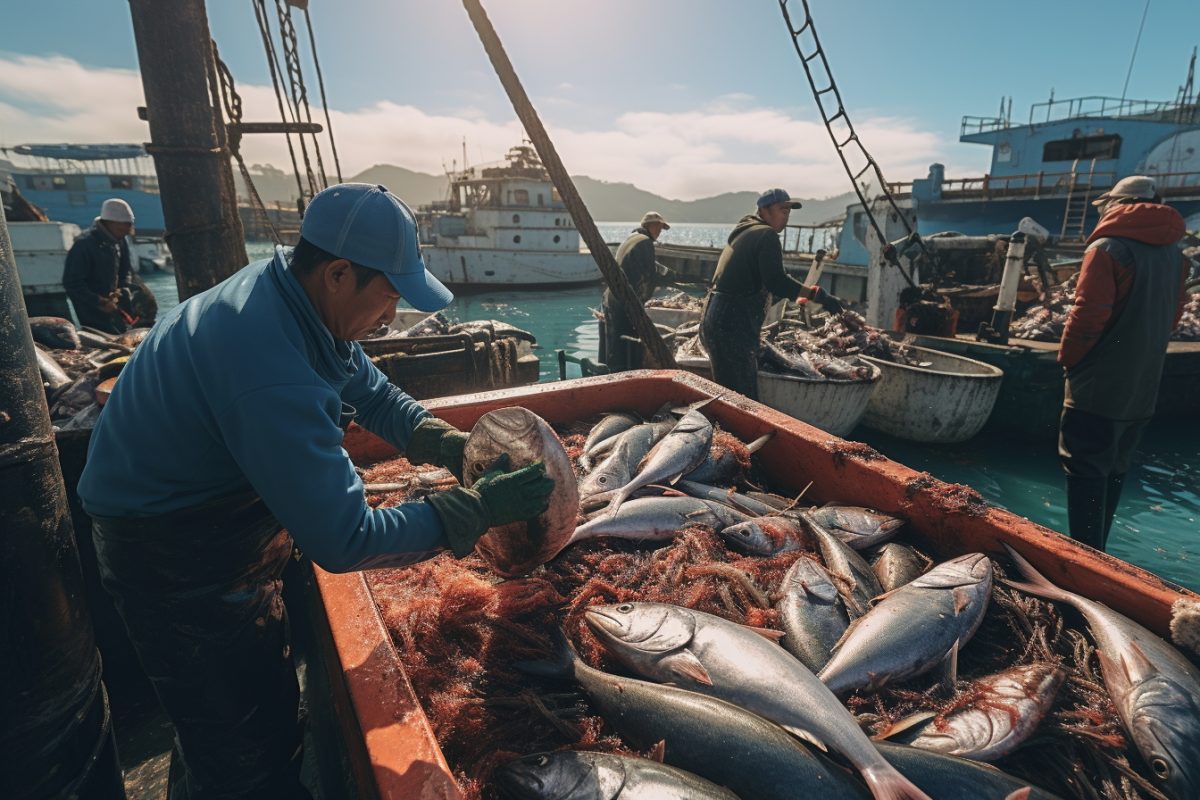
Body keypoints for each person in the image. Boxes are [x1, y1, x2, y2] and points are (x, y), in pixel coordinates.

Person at [78, 183, 555, 799]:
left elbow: (369, 386)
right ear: (338, 273)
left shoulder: (289, 293)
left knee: (215, 724)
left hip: (203, 515)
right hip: (174, 556)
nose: (389, 316)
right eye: (387, 296)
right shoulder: (267, 364)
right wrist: (477, 511)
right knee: (246, 755)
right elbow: (345, 539)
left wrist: (443, 443)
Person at [1057, 175, 1189, 551]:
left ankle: (1082, 563)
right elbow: (1174, 317)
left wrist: (1068, 359)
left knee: (1084, 468)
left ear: (1117, 204)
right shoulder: (1175, 255)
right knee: (1113, 469)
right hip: (1143, 388)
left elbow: (1087, 316)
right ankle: (1100, 556)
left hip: (1098, 387)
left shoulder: (1107, 248)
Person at [699, 188, 844, 399]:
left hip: (714, 319)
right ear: (763, 210)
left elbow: (757, 283)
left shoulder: (745, 231)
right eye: (781, 210)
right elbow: (777, 282)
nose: (785, 217)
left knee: (727, 397)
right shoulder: (766, 235)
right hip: (732, 327)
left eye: (788, 212)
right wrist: (818, 296)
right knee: (742, 401)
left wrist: (798, 295)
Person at [62, 198, 157, 333]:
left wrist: (124, 289)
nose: (127, 231)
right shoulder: (83, 245)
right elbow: (71, 283)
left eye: (129, 226)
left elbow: (125, 271)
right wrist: (99, 302)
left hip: (113, 301)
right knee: (107, 335)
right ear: (109, 223)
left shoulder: (120, 240)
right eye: (122, 227)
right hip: (91, 307)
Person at [602, 210, 670, 370]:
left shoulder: (631, 238)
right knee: (625, 354)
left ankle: (610, 382)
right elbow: (648, 277)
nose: (660, 232)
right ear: (651, 225)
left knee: (613, 349)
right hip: (623, 303)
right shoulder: (645, 242)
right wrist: (641, 307)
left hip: (610, 298)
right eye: (659, 227)